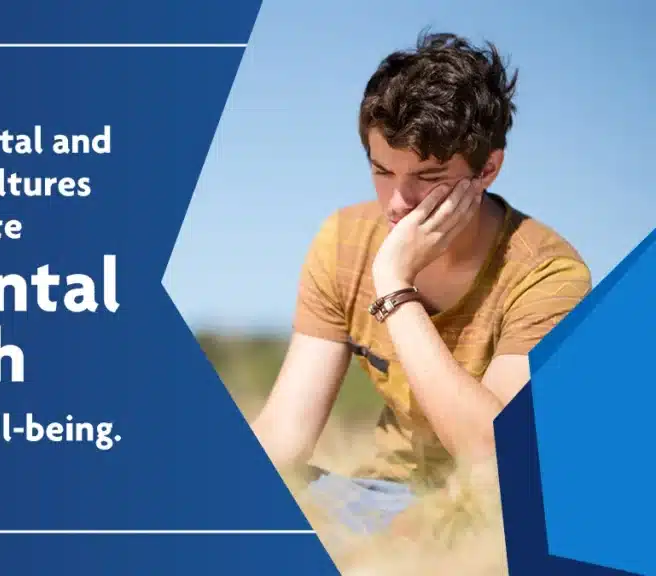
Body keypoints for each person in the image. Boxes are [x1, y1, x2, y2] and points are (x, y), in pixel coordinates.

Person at [251, 32, 592, 535]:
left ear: (488, 169)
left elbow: (493, 463)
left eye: (428, 178)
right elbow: (283, 441)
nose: (396, 202)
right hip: (373, 501)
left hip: (495, 517)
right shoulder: (343, 241)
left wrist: (394, 286)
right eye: (382, 170)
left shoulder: (550, 275)